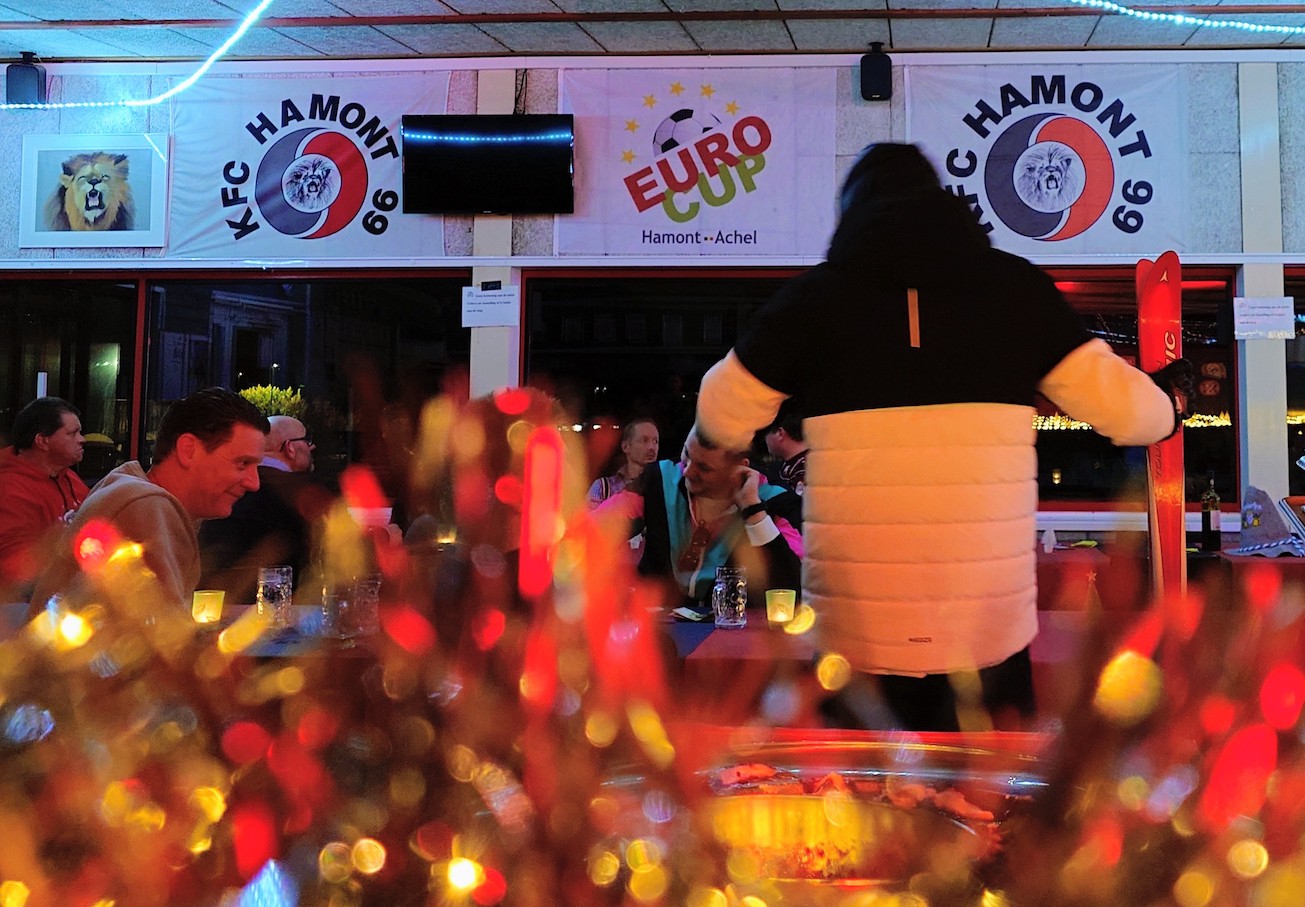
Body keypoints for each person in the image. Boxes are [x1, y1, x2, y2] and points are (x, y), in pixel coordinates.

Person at [695, 142, 1192, 731]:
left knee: (857, 786)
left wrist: (709, 447)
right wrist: (1171, 403)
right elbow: (1132, 415)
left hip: (854, 645)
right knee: (989, 784)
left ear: (850, 214)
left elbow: (721, 409)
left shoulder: (814, 301)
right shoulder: (1015, 290)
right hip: (985, 639)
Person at [29, 388, 268, 613]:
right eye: (242, 463)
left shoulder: (132, 491)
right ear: (189, 450)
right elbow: (166, 638)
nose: (254, 483)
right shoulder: (145, 505)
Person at [596, 428, 802, 607]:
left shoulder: (774, 501)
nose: (687, 471)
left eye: (704, 467)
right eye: (686, 454)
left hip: (737, 632)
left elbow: (795, 586)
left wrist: (753, 510)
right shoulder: (659, 480)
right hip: (661, 625)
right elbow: (596, 529)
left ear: (739, 468)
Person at [199, 415, 333, 592]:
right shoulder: (303, 494)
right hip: (281, 604)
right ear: (290, 448)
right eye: (306, 441)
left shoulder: (225, 490)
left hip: (211, 599)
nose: (312, 447)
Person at [0, 397, 89, 593]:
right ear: (42, 441)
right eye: (72, 433)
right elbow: (14, 575)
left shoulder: (68, 477)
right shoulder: (11, 491)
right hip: (30, 604)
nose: (82, 439)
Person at [588, 417, 660, 508]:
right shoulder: (603, 487)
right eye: (644, 440)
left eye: (655, 441)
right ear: (625, 447)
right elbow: (588, 516)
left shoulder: (664, 487)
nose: (652, 447)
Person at [762, 405, 809, 495]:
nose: (765, 440)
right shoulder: (790, 465)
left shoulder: (808, 467)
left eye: (765, 434)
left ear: (780, 433)